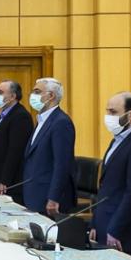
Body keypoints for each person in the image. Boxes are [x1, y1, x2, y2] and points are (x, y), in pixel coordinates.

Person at [90, 92, 131, 254]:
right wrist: (94, 222)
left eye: (113, 112)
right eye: (107, 111)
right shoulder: (117, 140)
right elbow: (105, 186)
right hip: (104, 222)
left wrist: (116, 229)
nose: (108, 117)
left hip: (122, 230)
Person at [22, 78, 76, 216]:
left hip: (48, 198)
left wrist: (54, 198)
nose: (32, 95)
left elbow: (62, 164)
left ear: (51, 95)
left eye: (37, 91)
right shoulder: (42, 120)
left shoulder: (61, 122)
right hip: (33, 193)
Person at [0, 80, 33, 205]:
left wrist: (5, 180)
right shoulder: (4, 114)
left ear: (12, 96)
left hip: (8, 183)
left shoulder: (20, 116)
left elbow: (15, 151)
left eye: (0, 92)